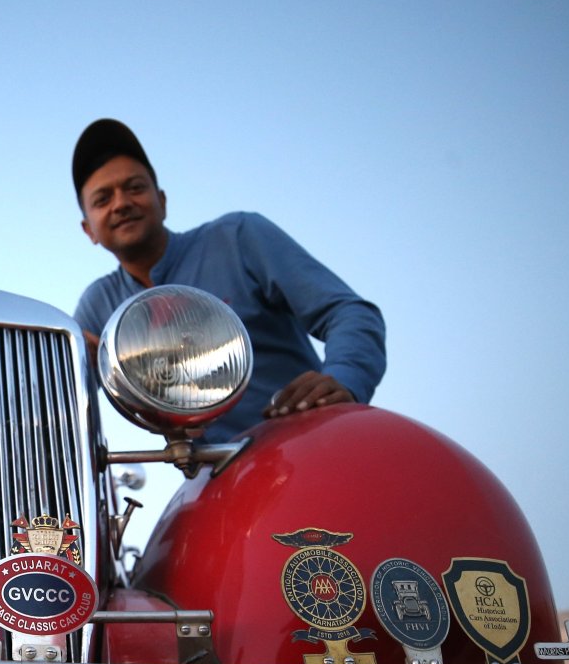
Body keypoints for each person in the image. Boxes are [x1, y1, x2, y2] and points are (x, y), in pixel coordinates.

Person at [72, 118, 386, 442]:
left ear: (162, 202)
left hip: (306, 453)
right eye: (102, 199)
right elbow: (58, 401)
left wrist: (343, 378)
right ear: (88, 230)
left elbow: (349, 313)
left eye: (135, 188)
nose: (121, 203)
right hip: (211, 484)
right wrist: (78, 367)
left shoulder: (238, 238)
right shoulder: (100, 304)